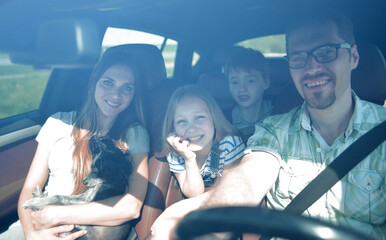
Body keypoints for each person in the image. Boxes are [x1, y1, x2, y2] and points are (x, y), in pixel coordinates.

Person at [150, 11, 386, 240]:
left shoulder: (381, 131)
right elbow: (245, 181)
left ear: (353, 57)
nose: (312, 68)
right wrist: (204, 221)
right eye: (298, 58)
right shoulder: (273, 130)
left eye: (326, 52)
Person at [0, 49, 150, 240]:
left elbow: (132, 206)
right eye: (108, 83)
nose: (116, 94)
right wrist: (32, 234)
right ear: (93, 83)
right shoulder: (57, 123)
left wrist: (57, 214)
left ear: (134, 93)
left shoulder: (134, 134)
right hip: (38, 226)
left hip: (93, 230)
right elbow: (30, 189)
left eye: (127, 88)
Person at [157, 85, 245, 198]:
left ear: (214, 118)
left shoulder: (228, 144)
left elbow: (231, 189)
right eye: (181, 121)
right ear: (173, 128)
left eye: (199, 117)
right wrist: (189, 159)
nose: (191, 128)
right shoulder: (176, 152)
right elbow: (194, 194)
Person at [225, 47, 272, 143]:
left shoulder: (278, 110)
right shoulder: (223, 118)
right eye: (235, 82)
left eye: (250, 81)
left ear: (266, 83)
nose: (242, 88)